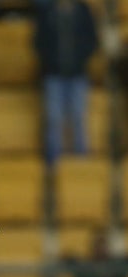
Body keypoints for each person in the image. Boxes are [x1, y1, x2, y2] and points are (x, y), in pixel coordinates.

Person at [32, 0, 99, 166]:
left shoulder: (83, 11)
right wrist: (50, 62)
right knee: (54, 118)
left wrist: (80, 59)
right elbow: (38, 42)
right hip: (54, 75)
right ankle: (52, 165)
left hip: (78, 74)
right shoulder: (48, 12)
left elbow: (92, 40)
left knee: (78, 117)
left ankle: (80, 164)